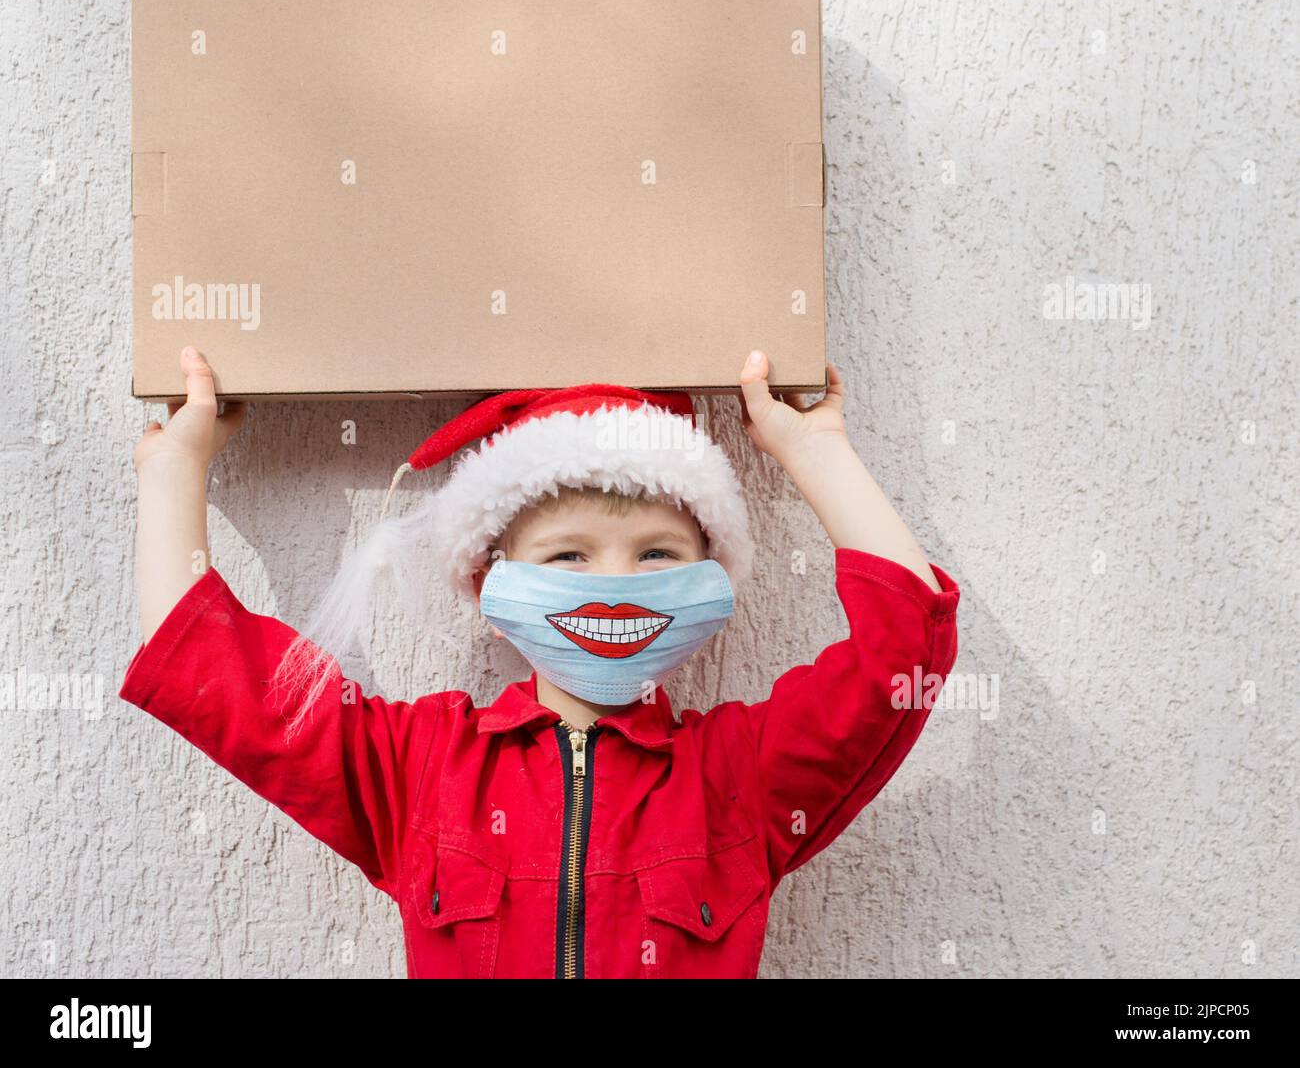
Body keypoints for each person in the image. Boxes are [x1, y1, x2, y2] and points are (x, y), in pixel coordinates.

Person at [124, 345, 960, 978]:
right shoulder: (419, 768)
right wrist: (173, 470)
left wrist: (816, 451)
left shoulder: (739, 779)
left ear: (711, 571)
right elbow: (210, 671)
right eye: (568, 556)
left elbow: (903, 647)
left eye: (659, 553)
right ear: (492, 584)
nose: (616, 589)